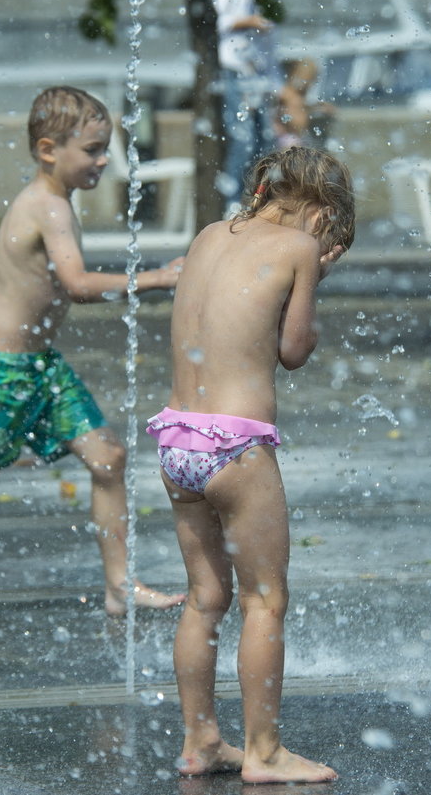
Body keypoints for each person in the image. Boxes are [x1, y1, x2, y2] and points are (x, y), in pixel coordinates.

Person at [0, 86, 186, 622]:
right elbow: (77, 284)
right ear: (49, 150)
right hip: (3, 371)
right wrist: (158, 278)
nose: (102, 161)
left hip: (40, 366)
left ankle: (119, 585)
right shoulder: (46, 207)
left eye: (105, 148)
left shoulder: (55, 203)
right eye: (92, 149)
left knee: (107, 457)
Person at [146, 146, 355, 783]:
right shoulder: (298, 250)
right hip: (235, 447)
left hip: (175, 439)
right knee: (265, 599)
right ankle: (263, 752)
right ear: (320, 216)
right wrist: (316, 275)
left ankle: (200, 741)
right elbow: (293, 351)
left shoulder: (210, 235)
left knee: (206, 598)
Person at [213, 0, 283, 215]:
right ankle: (233, 202)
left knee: (264, 139)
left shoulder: (260, 1)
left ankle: (261, 196)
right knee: (241, 137)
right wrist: (250, 22)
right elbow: (221, 22)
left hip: (256, 73)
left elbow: (269, 50)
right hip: (235, 71)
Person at [274, 57, 335, 149]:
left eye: (313, 79)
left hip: (294, 138)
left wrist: (316, 107)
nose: (310, 84)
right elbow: (297, 122)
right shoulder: (288, 95)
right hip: (286, 140)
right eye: (309, 79)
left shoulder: (295, 96)